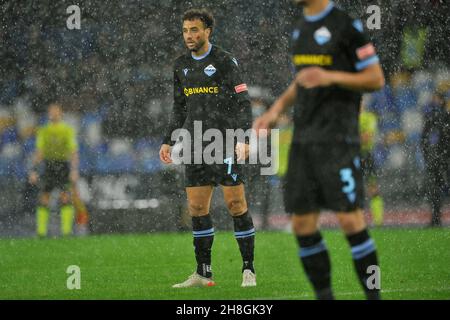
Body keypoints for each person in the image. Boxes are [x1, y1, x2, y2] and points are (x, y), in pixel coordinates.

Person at [253, 0, 385, 300]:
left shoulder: (346, 26)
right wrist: (275, 111)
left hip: (338, 139)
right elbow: (303, 80)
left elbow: (375, 79)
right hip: (303, 139)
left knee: (350, 220)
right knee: (301, 224)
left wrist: (331, 77)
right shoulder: (300, 28)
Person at [159, 9, 256, 288]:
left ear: (207, 31)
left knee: (236, 205)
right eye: (186, 30)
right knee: (197, 207)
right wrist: (168, 139)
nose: (189, 36)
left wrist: (244, 139)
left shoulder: (225, 61)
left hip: (224, 141)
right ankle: (203, 273)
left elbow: (243, 103)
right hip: (193, 143)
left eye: (194, 30)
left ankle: (248, 269)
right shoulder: (180, 65)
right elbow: (179, 107)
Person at [29, 103, 79, 237]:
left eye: (56, 111)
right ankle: (41, 232)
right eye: (51, 111)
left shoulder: (67, 130)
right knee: (44, 197)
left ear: (61, 113)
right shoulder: (44, 130)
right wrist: (33, 170)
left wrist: (74, 170)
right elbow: (39, 152)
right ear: (48, 113)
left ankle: (66, 231)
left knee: (65, 197)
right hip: (49, 165)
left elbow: (73, 151)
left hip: (63, 165)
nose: (54, 113)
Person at [420, 91, 450, 227]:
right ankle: (436, 218)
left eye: (437, 99)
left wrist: (428, 154)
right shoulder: (433, 117)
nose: (435, 102)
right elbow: (424, 139)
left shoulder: (438, 117)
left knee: (435, 188)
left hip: (441, 157)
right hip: (438, 158)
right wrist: (428, 155)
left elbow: (424, 139)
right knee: (434, 188)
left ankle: (436, 219)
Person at [359, 104, 384, 226]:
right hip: (352, 154)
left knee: (372, 187)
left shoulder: (369, 117)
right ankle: (356, 220)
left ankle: (378, 220)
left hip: (365, 155)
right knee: (352, 188)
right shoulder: (348, 117)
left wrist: (350, 137)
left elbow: (367, 138)